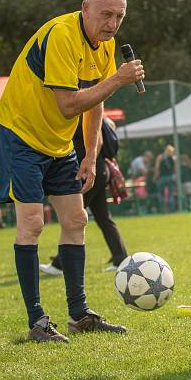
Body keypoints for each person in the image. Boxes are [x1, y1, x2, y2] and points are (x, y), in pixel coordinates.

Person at [0, 0, 144, 343]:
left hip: (60, 143)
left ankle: (79, 315)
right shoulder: (62, 35)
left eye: (119, 17)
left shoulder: (105, 46)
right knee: (31, 223)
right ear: (85, 7)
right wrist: (119, 80)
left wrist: (91, 157)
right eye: (106, 14)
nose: (112, 24)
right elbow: (69, 104)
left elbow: (95, 103)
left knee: (77, 219)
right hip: (23, 136)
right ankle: (37, 322)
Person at [40, 117, 130, 276]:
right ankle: (121, 259)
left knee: (73, 217)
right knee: (103, 218)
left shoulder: (85, 111)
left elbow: (99, 141)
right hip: (98, 171)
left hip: (91, 172)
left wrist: (88, 166)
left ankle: (60, 264)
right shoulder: (85, 110)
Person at [155, 145, 177, 212]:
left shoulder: (160, 157)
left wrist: (156, 177)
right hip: (170, 177)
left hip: (162, 177)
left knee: (160, 194)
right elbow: (175, 169)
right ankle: (171, 209)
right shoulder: (173, 158)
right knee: (170, 194)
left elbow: (157, 168)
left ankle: (162, 209)